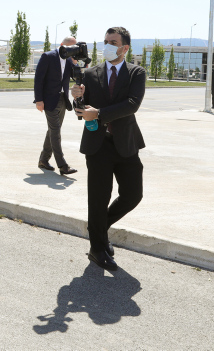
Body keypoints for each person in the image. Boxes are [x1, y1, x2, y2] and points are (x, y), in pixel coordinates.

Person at [71, 27, 145, 271]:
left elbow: (132, 104)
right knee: (98, 199)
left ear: (125, 48)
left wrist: (100, 113)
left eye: (113, 42)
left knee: (133, 194)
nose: (107, 46)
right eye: (105, 41)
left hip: (126, 143)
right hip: (98, 145)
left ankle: (100, 230)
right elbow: (81, 111)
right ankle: (97, 248)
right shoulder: (91, 73)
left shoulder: (136, 73)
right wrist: (77, 97)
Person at [33, 36, 78, 175]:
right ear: (62, 44)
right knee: (56, 131)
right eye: (69, 47)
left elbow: (75, 76)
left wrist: (76, 63)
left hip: (63, 99)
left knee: (53, 131)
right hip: (49, 100)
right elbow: (38, 79)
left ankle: (43, 160)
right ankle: (62, 165)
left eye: (73, 48)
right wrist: (39, 100)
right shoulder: (48, 56)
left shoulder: (69, 59)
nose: (71, 50)